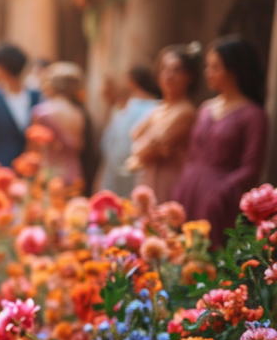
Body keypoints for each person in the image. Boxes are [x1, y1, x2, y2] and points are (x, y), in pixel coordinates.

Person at [173, 36, 268, 246]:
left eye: (215, 67)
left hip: (219, 203)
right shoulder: (206, 108)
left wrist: (220, 192)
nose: (208, 73)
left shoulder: (253, 115)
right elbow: (192, 155)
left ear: (234, 70)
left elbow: (251, 168)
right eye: (208, 66)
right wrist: (181, 186)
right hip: (189, 192)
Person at [126, 44, 200, 201]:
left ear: (189, 76)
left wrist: (141, 150)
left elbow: (146, 150)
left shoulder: (185, 111)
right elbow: (135, 137)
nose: (169, 75)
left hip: (169, 182)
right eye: (164, 69)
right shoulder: (158, 108)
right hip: (148, 180)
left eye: (176, 70)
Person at [98, 66, 161, 196]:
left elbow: (106, 146)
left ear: (130, 82)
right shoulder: (157, 107)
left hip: (124, 175)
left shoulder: (125, 112)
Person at [30, 62, 86, 187]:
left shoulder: (41, 112)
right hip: (74, 174)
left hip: (50, 174)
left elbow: (34, 149)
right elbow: (79, 145)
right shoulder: (78, 114)